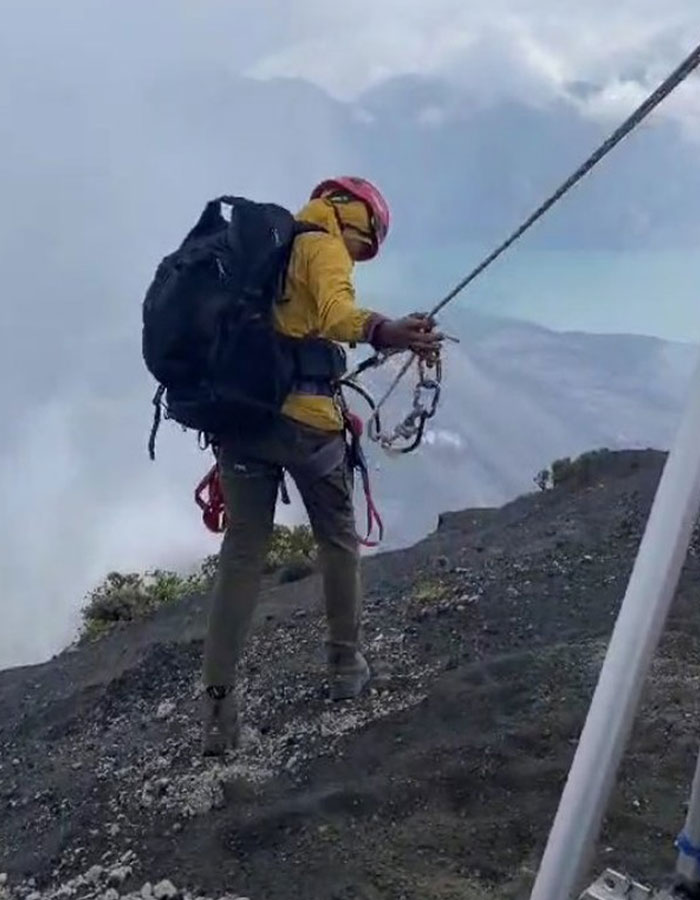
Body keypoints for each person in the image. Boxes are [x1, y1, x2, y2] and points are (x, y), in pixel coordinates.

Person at [201, 176, 442, 756]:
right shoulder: (323, 246)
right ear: (357, 218)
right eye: (367, 243)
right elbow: (336, 314)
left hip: (241, 422)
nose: (361, 255)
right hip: (306, 424)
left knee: (241, 556)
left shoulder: (268, 250)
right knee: (337, 539)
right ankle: (345, 668)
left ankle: (218, 717)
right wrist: (385, 331)